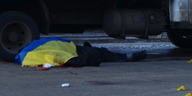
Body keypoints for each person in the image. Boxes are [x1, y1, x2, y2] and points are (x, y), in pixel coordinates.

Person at [16, 37, 148, 67]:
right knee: (99, 53)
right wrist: (91, 62)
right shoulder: (33, 49)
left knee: (96, 52)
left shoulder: (28, 55)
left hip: (73, 49)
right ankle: (125, 57)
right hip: (74, 51)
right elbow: (68, 60)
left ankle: (122, 57)